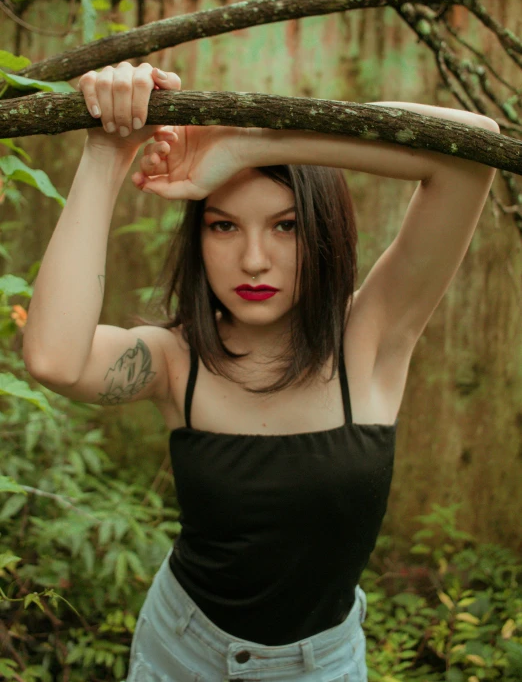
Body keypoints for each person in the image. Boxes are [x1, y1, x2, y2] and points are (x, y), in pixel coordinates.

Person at [22, 62, 499, 682]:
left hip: (321, 666)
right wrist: (107, 151)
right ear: (199, 237)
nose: (253, 259)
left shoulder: (370, 342)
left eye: (286, 226)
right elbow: (54, 359)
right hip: (181, 651)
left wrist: (253, 141)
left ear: (324, 233)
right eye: (224, 226)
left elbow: (470, 147)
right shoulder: (176, 361)